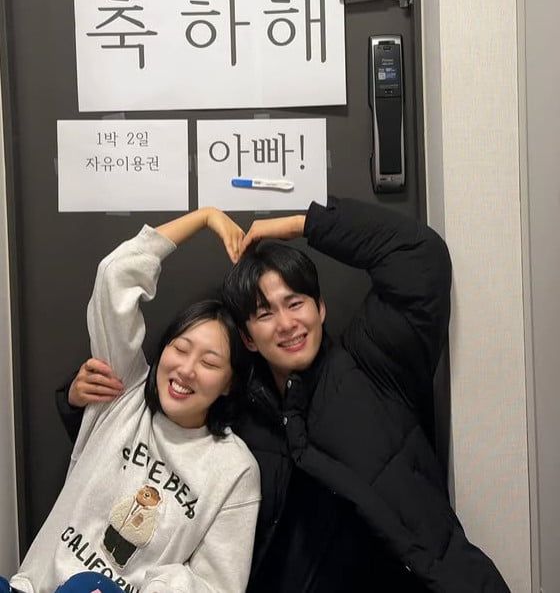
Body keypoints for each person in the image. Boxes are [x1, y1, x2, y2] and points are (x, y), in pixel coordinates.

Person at [57, 196, 510, 592]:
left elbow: (420, 257)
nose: (287, 324)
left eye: (295, 303)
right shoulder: (235, 409)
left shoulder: (375, 364)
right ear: (249, 337)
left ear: (320, 308)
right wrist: (82, 403)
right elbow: (158, 445)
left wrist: (301, 224)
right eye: (265, 313)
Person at [6, 208, 260, 593]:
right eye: (180, 349)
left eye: (209, 363)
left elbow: (218, 586)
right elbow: (116, 275)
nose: (187, 369)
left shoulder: (234, 469)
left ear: (229, 383)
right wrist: (205, 216)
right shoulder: (125, 394)